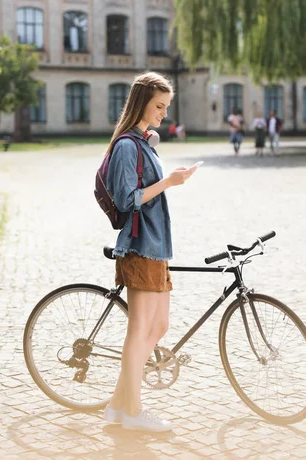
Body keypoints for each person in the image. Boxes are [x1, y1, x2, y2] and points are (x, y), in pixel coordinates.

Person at [104, 72, 197, 432]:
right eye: (159, 106)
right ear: (141, 101)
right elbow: (128, 200)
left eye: (166, 107)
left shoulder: (144, 143)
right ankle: (133, 412)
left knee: (159, 326)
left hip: (156, 247)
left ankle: (116, 405)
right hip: (140, 247)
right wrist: (169, 182)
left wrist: (173, 179)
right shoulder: (127, 146)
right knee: (140, 329)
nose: (163, 114)